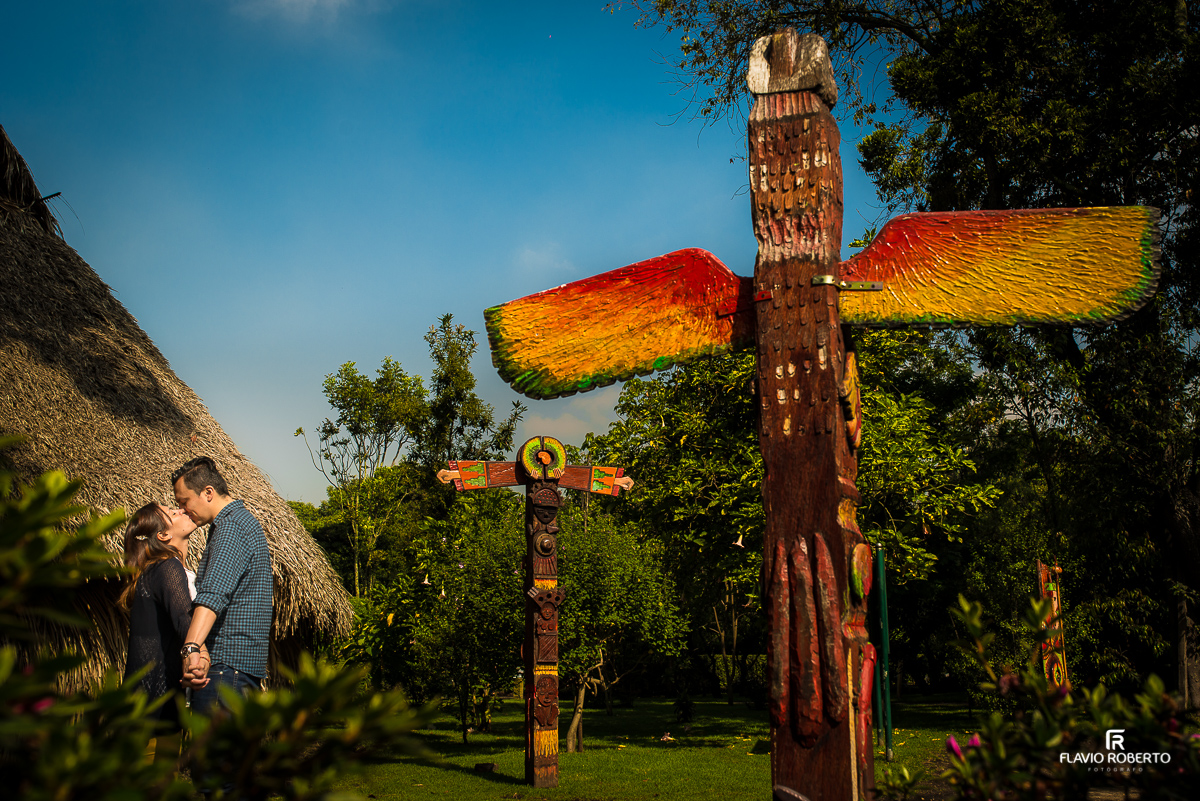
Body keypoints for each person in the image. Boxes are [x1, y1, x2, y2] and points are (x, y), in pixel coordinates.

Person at [172, 456, 273, 713]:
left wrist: (191, 648)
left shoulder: (232, 528)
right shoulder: (236, 524)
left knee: (212, 752)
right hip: (234, 670)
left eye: (184, 502)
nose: (182, 510)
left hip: (225, 669)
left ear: (208, 493)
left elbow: (212, 596)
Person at [119, 502, 204, 762]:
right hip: (157, 699)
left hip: (148, 697)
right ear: (163, 536)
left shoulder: (155, 569)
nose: (181, 510)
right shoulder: (167, 567)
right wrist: (200, 656)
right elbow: (183, 621)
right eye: (173, 512)